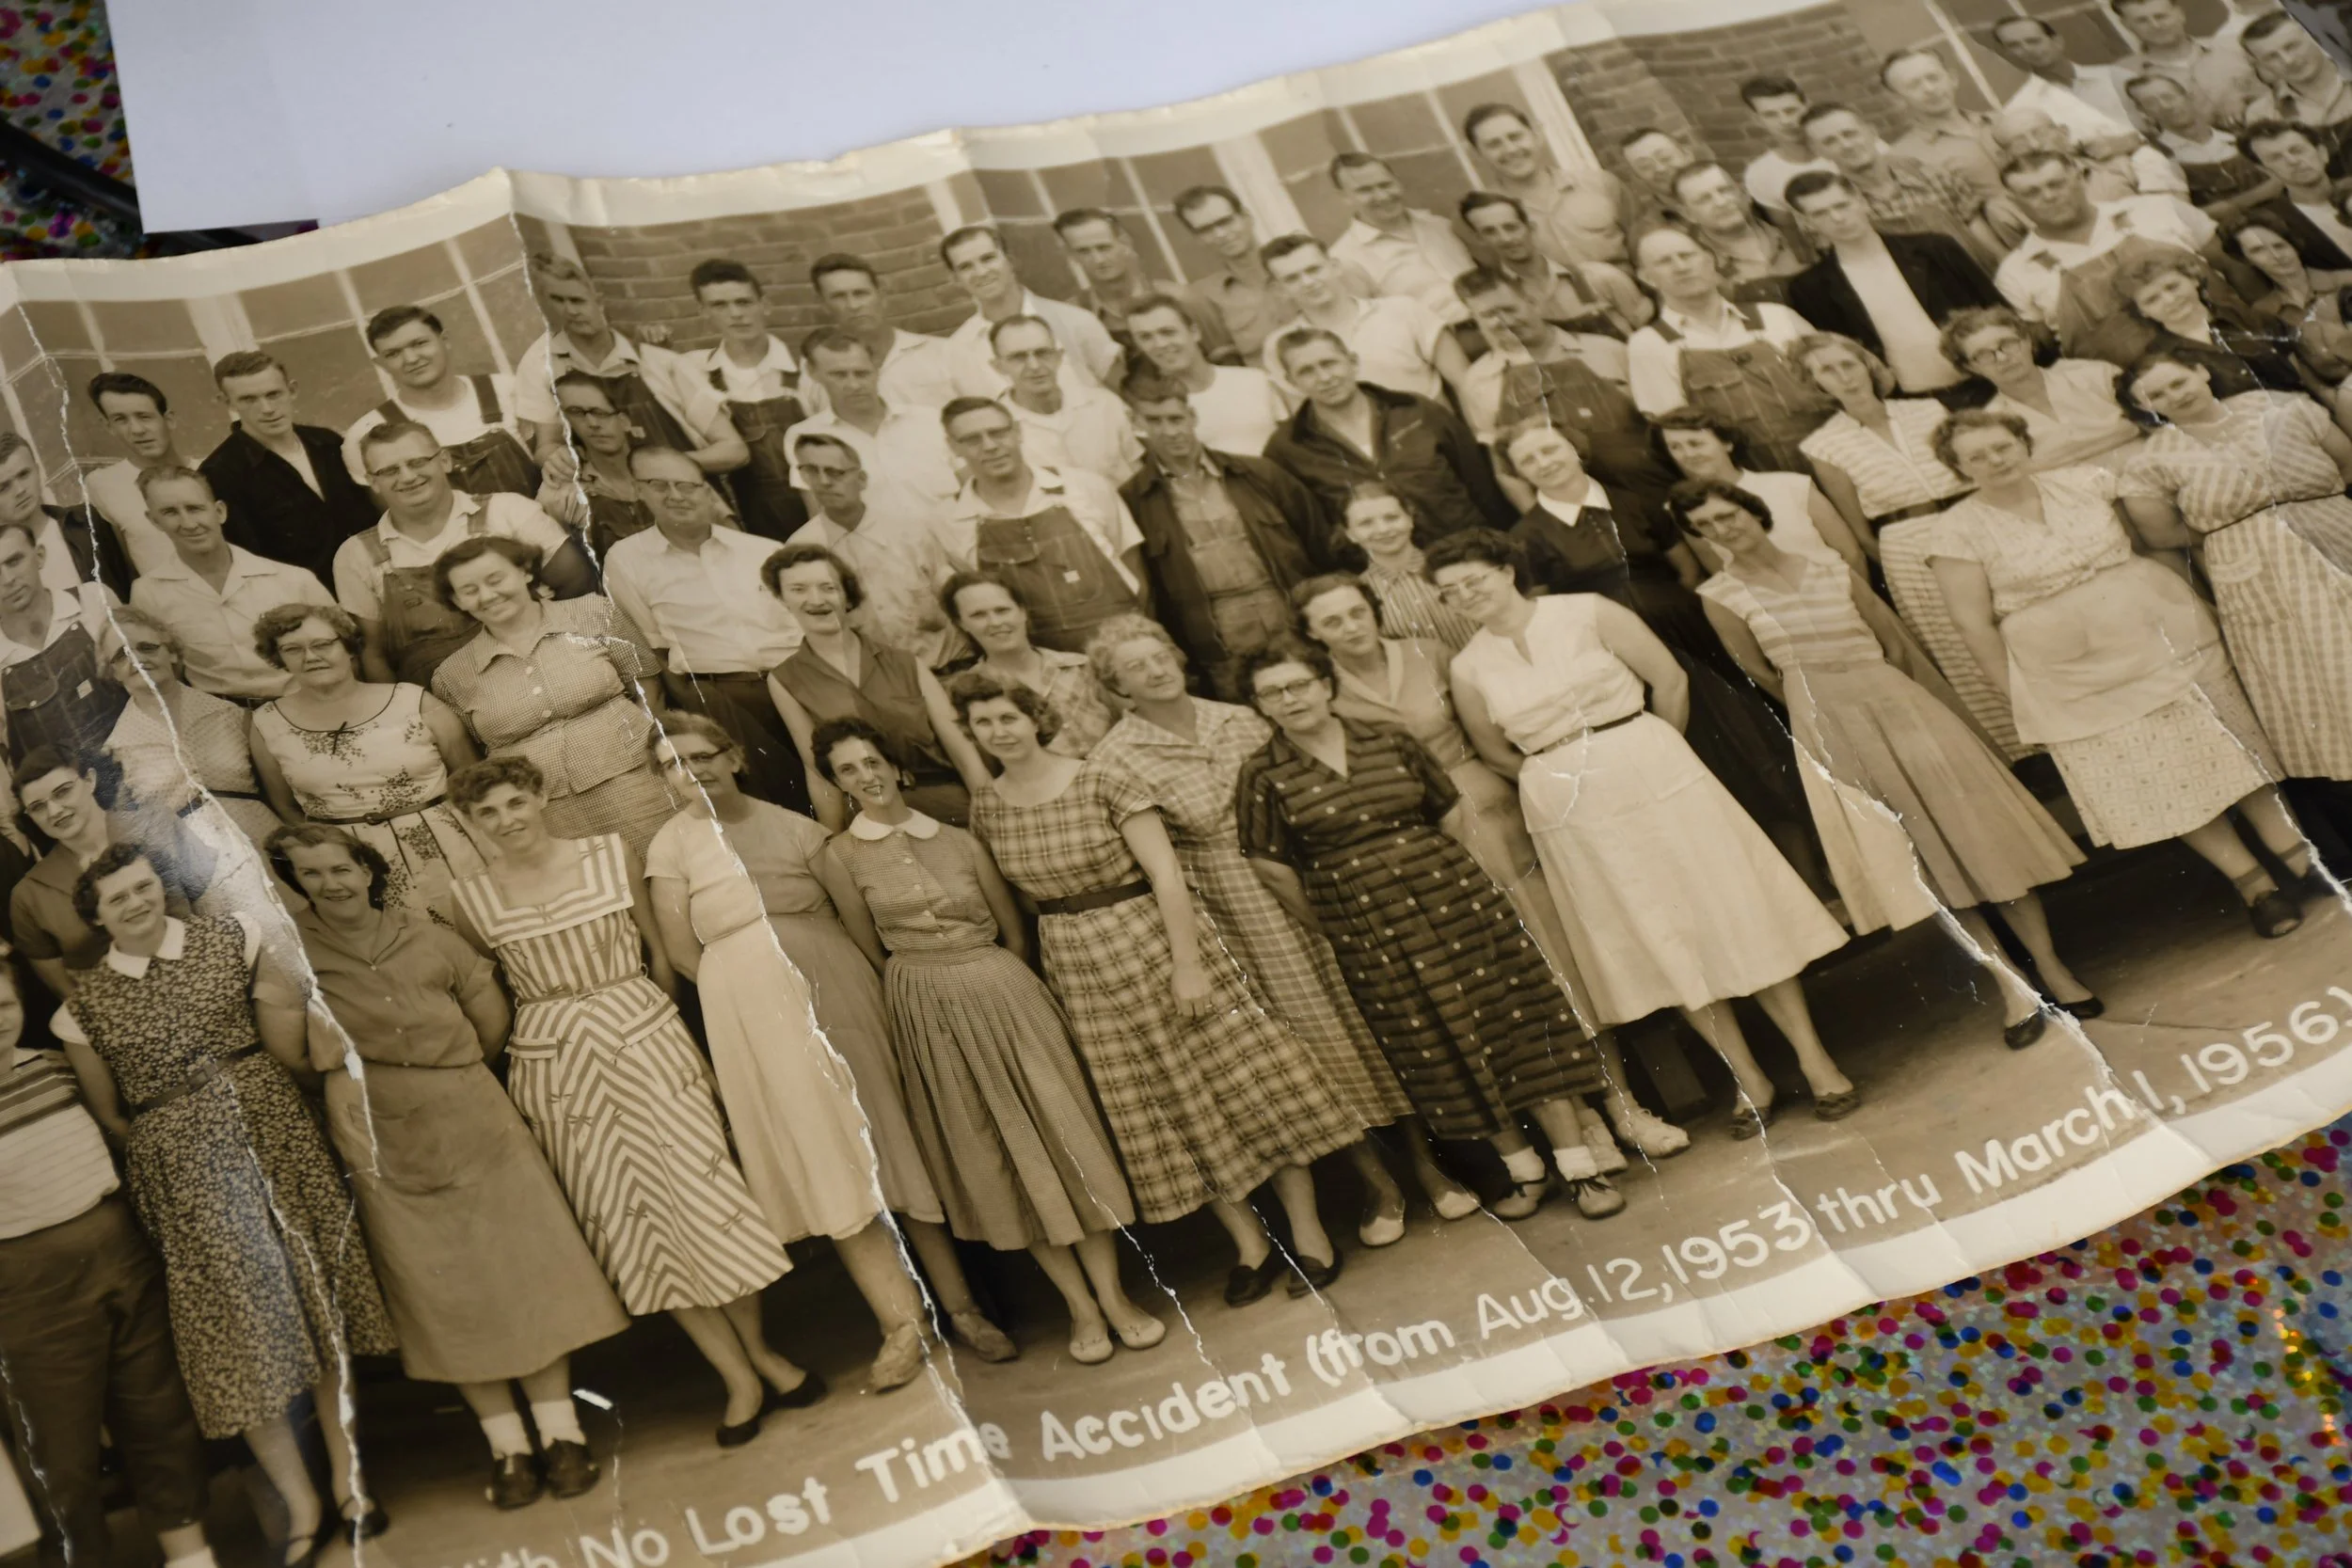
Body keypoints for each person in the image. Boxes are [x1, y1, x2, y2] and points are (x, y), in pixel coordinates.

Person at [952, 671, 1362, 1298]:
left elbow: (1167, 872)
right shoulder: (988, 804)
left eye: (1007, 717)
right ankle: (1251, 1244)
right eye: (982, 723)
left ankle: (1307, 1232)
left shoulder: (1100, 775)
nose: (998, 731)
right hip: (1079, 966)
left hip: (1151, 940)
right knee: (1164, 1106)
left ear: (1034, 717)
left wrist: (1188, 963)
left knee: (1246, 1081)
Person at [1437, 531, 1859, 1136]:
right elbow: (1495, 752)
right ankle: (1749, 1079)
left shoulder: (1587, 611)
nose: (1465, 595)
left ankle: (1816, 1063)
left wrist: (1653, 751)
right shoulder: (1469, 665)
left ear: (1506, 570)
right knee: (1657, 932)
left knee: (1731, 909)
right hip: (1570, 807)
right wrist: (1564, 774)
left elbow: (1670, 681)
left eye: (1472, 580)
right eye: (1450, 594)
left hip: (1651, 767)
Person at [445, 758, 811, 1446]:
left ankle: (762, 1350)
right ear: (470, 823)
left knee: (709, 1203)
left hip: (643, 1033)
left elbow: (660, 953)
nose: (505, 821)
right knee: (634, 1223)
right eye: (486, 813)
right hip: (558, 1066)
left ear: (542, 795)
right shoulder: (472, 897)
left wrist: (658, 1031)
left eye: (514, 803)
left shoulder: (610, 854)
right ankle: (734, 1374)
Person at [1287, 572, 1699, 1175]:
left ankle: (1623, 1105)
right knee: (1496, 990)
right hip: (1417, 845)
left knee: (1558, 965)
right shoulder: (1324, 692)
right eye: (1331, 622)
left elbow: (1492, 728)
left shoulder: (1431, 654)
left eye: (1356, 613)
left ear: (1374, 610)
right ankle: (1580, 1126)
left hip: (1492, 818)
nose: (1350, 628)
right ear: (1312, 635)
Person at [55, 846, 397, 1556]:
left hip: (273, 1138)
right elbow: (113, 1116)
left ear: (161, 887)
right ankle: (302, 1505)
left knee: (315, 1306)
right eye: (118, 899)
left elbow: (282, 1033)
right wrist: (180, 1136)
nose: (138, 902)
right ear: (96, 916)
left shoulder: (232, 937)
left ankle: (349, 1483)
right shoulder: (79, 1006)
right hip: (182, 1177)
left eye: (144, 886)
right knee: (235, 1342)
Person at [645, 719, 1018, 1367]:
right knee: (827, 1157)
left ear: (733, 755)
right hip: (749, 1008)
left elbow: (855, 918)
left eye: (704, 755)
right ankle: (903, 1323)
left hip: (836, 985)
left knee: (891, 1139)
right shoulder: (670, 847)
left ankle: (962, 1307)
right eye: (674, 764)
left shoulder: (795, 828)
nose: (692, 770)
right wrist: (752, 987)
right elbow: (681, 951)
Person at [1088, 614, 1471, 1237]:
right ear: (1117, 687)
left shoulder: (1240, 718)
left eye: (1159, 652)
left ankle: (1434, 1170)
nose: (1154, 669)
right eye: (1135, 666)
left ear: (1178, 656)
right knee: (1310, 1046)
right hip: (1229, 910)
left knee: (1371, 1018)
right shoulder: (1117, 757)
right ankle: (1381, 1187)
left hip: (1304, 874)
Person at [1677, 482, 2099, 1048]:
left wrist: (1886, 691)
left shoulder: (1828, 564)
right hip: (1829, 722)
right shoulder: (1720, 596)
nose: (1725, 530)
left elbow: (1892, 642)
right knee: (1921, 857)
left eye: (1729, 515)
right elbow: (1762, 673)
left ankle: (2051, 966)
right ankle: (2011, 985)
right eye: (1709, 527)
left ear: (1754, 513)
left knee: (1980, 835)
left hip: (1898, 703)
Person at [277, 824, 624, 1511]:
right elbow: (291, 1053)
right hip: (379, 1130)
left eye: (340, 868)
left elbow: (491, 1021)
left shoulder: (428, 934)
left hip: (471, 1113)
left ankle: (562, 1435)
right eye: (311, 873)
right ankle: (508, 1448)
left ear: (367, 870)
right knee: (445, 1292)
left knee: (520, 1269)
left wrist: (448, 1074)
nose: (329, 883)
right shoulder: (294, 956)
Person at [1235, 639, 1626, 1218]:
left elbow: (1448, 809)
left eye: (1298, 685)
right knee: (1438, 1043)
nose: (1289, 700)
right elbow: (1270, 865)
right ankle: (1523, 1172)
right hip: (1369, 929)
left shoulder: (1389, 741)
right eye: (1272, 693)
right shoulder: (1263, 774)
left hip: (1458, 906)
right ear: (1260, 706)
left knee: (1516, 1022)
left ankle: (1579, 1167)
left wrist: (1441, 879)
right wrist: (1339, 922)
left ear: (1324, 685)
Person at [816, 719, 1157, 1352]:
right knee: (997, 1153)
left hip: (1005, 991)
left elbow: (1013, 930)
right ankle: (1079, 1306)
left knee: (1063, 1135)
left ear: (895, 764)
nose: (866, 776)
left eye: (872, 761)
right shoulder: (840, 857)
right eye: (848, 770)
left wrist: (997, 980)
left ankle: (1114, 1294)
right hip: (927, 1007)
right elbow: (870, 948)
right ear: (838, 784)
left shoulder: (960, 839)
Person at [1927, 409, 2317, 935]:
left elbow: (2157, 539)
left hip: (2160, 633)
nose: (1994, 461)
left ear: (2022, 444)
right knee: (2159, 779)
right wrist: (2022, 699)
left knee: (2230, 747)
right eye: (1976, 456)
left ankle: (2301, 860)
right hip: (2071, 675)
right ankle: (2255, 886)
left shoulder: (2087, 483)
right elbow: (1973, 625)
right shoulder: (1955, 532)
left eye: (2001, 447)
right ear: (1958, 468)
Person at [1498, 420, 1830, 895]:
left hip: (1690, 634)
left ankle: (1816, 880)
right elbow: (1550, 611)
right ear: (1519, 473)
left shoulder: (1636, 499)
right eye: (1529, 460)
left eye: (1550, 448)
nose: (1544, 463)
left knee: (1751, 747)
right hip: (1620, 655)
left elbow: (1688, 570)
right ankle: (1759, 893)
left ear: (1575, 448)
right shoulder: (1528, 535)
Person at [0, 963, 217, 1568]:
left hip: (121, 1257)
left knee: (159, 1417)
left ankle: (192, 1558)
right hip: (26, 1293)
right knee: (59, 1455)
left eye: (3, 1005)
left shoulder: (52, 1067)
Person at [2117, 351, 2352, 786]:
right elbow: (2164, 533)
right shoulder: (2152, 460)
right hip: (2257, 573)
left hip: (2336, 536)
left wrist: (2311, 511)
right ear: (2146, 407)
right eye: (2157, 393)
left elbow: (2345, 459)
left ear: (2201, 371)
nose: (2175, 395)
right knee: (2328, 672)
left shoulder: (2281, 407)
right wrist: (2245, 533)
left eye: (2178, 381)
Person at [429, 535, 675, 861]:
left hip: (639, 784)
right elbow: (474, 751)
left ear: (525, 572)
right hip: (543, 812)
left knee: (669, 868)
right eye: (469, 590)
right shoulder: (452, 675)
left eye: (495, 579)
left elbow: (648, 689)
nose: (487, 596)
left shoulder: (593, 612)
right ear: (457, 601)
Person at [595, 444, 812, 813]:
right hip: (723, 699)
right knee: (776, 806)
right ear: (639, 491)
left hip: (799, 681)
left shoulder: (763, 550)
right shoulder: (627, 559)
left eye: (687, 485)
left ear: (707, 490)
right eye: (659, 485)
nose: (676, 496)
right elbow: (653, 648)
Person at [247, 603, 483, 921]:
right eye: (292, 649)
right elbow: (287, 807)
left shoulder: (412, 699)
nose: (311, 657)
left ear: (348, 644)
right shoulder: (267, 723)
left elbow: (469, 776)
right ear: (278, 657)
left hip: (447, 848)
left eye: (322, 644)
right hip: (351, 865)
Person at [338, 421, 596, 686]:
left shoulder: (509, 512)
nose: (407, 477)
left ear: (445, 461)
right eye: (390, 470)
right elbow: (374, 653)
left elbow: (577, 586)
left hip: (549, 672)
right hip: (439, 697)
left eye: (417, 462)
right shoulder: (357, 555)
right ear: (373, 482)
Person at [1119, 369, 1324, 697]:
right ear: (1136, 423)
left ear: (1192, 415)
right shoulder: (1135, 501)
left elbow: (1320, 544)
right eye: (1155, 421)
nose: (1170, 431)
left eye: (1176, 418)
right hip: (1220, 650)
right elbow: (1152, 592)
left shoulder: (1259, 474)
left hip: (1295, 629)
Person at [763, 544, 988, 829]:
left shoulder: (906, 663)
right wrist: (834, 840)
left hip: (945, 806)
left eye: (828, 587)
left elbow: (962, 750)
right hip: (870, 819)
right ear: (782, 599)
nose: (816, 599)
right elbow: (818, 771)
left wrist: (991, 817)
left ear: (847, 596)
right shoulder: (785, 680)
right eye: (798, 589)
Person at [1264, 329, 1514, 546]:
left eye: (1329, 363)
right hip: (1386, 579)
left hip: (1467, 553)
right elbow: (1312, 530)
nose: (1324, 378)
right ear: (1291, 382)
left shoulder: (1417, 410)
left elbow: (1481, 483)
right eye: (1306, 371)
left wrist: (1502, 542)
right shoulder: (1288, 448)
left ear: (1352, 362)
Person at [937, 396, 1146, 651]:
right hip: (1041, 666)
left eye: (998, 433)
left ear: (1018, 432)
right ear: (953, 447)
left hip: (1125, 648)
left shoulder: (1085, 487)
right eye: (972, 439)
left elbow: (1133, 564)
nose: (989, 446)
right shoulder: (950, 520)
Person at [513, 252, 747, 475]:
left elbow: (735, 450)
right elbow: (546, 447)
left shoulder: (661, 362)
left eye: (578, 300)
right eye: (557, 301)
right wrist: (558, 461)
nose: (572, 311)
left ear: (599, 302)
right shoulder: (539, 365)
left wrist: (664, 467)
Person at [9, 749, 214, 1000]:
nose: (54, 812)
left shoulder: (156, 825)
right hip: (120, 1017)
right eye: (38, 807)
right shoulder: (29, 896)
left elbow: (212, 908)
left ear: (90, 780)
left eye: (62, 792)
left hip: (206, 977)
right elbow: (66, 991)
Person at [1626, 225, 1832, 470]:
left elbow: (1838, 383)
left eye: (1687, 255)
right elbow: (1680, 438)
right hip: (1753, 480)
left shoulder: (1776, 317)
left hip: (1836, 461)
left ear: (1710, 259)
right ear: (1647, 277)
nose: (1681, 267)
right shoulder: (1650, 345)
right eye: (1664, 261)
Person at [1784, 171, 2004, 396]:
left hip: (1990, 376)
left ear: (1861, 201)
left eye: (1842, 205)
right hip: (1908, 400)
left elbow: (1997, 310)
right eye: (1821, 213)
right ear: (1806, 222)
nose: (1838, 218)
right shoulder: (1811, 288)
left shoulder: (1935, 248)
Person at [127, 465, 335, 702]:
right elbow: (160, 672)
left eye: (195, 508)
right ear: (154, 521)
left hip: (303, 703)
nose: (188, 523)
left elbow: (344, 651)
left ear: (220, 512)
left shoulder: (293, 580)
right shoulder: (148, 593)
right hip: (218, 715)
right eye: (170, 512)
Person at [1992, 150, 2222, 360]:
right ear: (2014, 201)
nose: (2049, 196)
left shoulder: (2157, 209)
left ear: (2080, 177)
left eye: (2057, 184)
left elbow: (2232, 269)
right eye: (2032, 192)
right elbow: (2047, 351)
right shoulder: (2016, 271)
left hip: (2231, 348)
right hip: (2147, 391)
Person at [104, 606, 281, 854]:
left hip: (264, 843)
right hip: (197, 868)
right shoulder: (116, 749)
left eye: (147, 647)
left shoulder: (231, 715)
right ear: (113, 672)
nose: (136, 658)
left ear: (173, 654)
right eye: (121, 654)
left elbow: (279, 800)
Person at [782, 432, 961, 667]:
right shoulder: (801, 548)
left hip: (946, 665)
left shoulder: (912, 530)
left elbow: (952, 595)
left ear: (862, 479)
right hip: (876, 680)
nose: (824, 482)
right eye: (812, 471)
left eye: (835, 472)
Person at [199, 352, 379, 585]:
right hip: (312, 600)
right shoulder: (220, 473)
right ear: (227, 403)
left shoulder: (327, 442)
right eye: (249, 399)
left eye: (273, 394)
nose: (267, 409)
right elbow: (249, 561)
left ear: (292, 390)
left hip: (380, 581)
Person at [343, 305, 539, 498]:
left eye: (420, 343)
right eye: (393, 354)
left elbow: (549, 469)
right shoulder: (367, 433)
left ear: (445, 340)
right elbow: (395, 517)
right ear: (381, 364)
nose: (410, 358)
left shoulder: (508, 391)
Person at [1795, 332, 1976, 542]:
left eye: (1849, 365)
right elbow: (1861, 534)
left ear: (1868, 366)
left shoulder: (1931, 411)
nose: (1845, 378)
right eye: (1827, 371)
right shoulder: (1822, 447)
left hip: (1975, 520)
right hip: (1909, 544)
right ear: (1814, 383)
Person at [1651, 406, 1867, 572]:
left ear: (1726, 443)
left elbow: (1851, 554)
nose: (1687, 454)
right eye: (1675, 447)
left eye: (1695, 443)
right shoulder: (1682, 508)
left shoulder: (1791, 485)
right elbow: (1723, 575)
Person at [685, 258, 810, 542]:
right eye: (720, 305)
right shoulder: (695, 373)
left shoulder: (804, 370)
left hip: (816, 506)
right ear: (703, 311)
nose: (735, 314)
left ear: (764, 304)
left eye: (744, 302)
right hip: (748, 520)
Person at [1260, 234, 1469, 404]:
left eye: (1314, 269)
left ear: (1335, 267)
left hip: (1437, 439)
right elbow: (1302, 415)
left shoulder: (1403, 310)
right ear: (1279, 289)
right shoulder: (1280, 345)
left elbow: (1465, 383)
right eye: (1292, 278)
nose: (1307, 282)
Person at [1174, 183, 1374, 361]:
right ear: (1197, 238)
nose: (1221, 234)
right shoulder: (1205, 299)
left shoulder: (1319, 269)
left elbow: (1373, 323)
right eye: (1206, 229)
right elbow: (1232, 369)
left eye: (1225, 221)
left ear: (1246, 218)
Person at [784, 329, 964, 523]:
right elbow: (820, 516)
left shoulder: (930, 420)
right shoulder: (806, 435)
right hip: (873, 550)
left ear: (877, 367)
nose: (854, 385)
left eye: (862, 373)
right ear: (813, 374)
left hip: (954, 542)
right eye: (839, 375)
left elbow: (972, 487)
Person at [2116, 245, 2329, 404]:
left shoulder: (2246, 318)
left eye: (2172, 286)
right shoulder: (2161, 358)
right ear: (2142, 311)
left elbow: (2303, 369)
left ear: (2193, 279)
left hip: (2307, 406)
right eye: (2152, 299)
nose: (2170, 300)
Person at [1940, 307, 2147, 470]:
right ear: (1970, 367)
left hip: (2148, 470)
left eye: (2008, 344)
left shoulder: (2094, 375)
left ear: (2027, 341)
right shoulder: (1992, 422)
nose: (2002, 358)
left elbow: (2158, 420)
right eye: (1984, 355)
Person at [942, 570, 1119, 757]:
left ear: (1022, 612)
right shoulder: (967, 692)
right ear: (962, 624)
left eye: (1002, 610)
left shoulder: (1082, 667)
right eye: (978, 615)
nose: (995, 622)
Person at [1804, 100, 2002, 266]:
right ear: (1818, 152)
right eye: (1830, 141)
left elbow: (1982, 238)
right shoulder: (1836, 208)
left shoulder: (1931, 175)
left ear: (1872, 132)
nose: (1846, 145)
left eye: (1850, 134)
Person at [940, 225, 1121, 399]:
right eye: (965, 267)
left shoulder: (1076, 321)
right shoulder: (959, 350)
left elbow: (1126, 396)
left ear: (1010, 261)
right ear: (955, 279)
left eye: (988, 258)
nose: (981, 272)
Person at [0, 513, 127, 762]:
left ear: (39, 557)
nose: (8, 579)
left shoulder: (94, 601)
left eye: (14, 561)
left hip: (142, 769)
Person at [1456, 191, 1654, 340]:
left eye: (1511, 227)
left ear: (1530, 228)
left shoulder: (1598, 277)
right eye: (1490, 232)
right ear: (1479, 239)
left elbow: (1659, 328)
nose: (1506, 239)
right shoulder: (1504, 301)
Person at [1461, 103, 1631, 265]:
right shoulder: (1485, 217)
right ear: (1477, 154)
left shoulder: (1600, 183)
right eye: (1494, 144)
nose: (1510, 150)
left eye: (1515, 137)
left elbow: (1642, 243)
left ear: (1536, 135)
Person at [1122, 293, 1291, 456]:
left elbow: (1292, 444)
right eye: (1145, 337)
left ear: (1194, 332)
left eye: (1168, 332)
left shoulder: (1255, 381)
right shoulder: (1153, 410)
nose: (1160, 344)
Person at [1326, 150, 1478, 322]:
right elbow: (1369, 325)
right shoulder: (1344, 260)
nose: (1383, 196)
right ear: (1344, 197)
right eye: (1365, 190)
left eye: (1385, 185)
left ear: (1397, 182)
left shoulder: (1440, 225)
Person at [991, 315, 1144, 484]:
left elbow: (1140, 473)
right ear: (998, 366)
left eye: (1043, 353)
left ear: (1059, 356)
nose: (1034, 366)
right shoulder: (995, 429)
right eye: (1018, 357)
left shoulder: (1105, 404)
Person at [1055, 208, 1224, 358]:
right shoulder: (1072, 315)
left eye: (1104, 247)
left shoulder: (1182, 299)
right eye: (1084, 251)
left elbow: (1229, 364)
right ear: (1070, 255)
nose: (1098, 260)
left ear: (1125, 243)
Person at [1332, 483, 1482, 652]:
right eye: (1366, 523)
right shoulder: (1358, 594)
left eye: (1391, 518)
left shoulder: (1457, 566)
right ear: (1350, 534)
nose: (1383, 529)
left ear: (1410, 519)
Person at [806, 252, 961, 411]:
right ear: (823, 305)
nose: (853, 305)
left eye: (861, 293)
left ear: (881, 296)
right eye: (838, 297)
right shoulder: (816, 373)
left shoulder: (943, 353)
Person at [81, 372, 197, 578]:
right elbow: (124, 563)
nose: (136, 430)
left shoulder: (211, 469)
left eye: (144, 416)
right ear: (109, 427)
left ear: (169, 419)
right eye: (120, 420)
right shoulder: (102, 484)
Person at [536, 372, 661, 557]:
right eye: (577, 413)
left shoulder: (665, 469)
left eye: (600, 413)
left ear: (624, 420)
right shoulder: (560, 493)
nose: (593, 423)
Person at [2223, 212, 2352, 385]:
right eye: (2258, 250)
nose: (2276, 256)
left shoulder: (2346, 281)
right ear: (2247, 259)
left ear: (2294, 245)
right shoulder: (2263, 311)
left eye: (2279, 245)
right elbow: (2301, 372)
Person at [2128, 72, 2281, 217]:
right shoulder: (2157, 158)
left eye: (2168, 97)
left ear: (2188, 96)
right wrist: (2264, 192)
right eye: (2151, 103)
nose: (2165, 106)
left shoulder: (2238, 134)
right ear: (2144, 112)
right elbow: (2181, 215)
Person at [1883, 47, 2014, 214]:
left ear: (1952, 79)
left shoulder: (2000, 121)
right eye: (1914, 85)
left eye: (1933, 77)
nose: (1929, 89)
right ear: (1897, 100)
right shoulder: (1904, 158)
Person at [0, 430, 128, 599]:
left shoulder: (85, 522)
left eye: (24, 474)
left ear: (38, 471)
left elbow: (126, 590)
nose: (20, 490)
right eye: (3, 487)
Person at [1990, 103, 2193, 205]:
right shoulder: (2012, 205)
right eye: (2019, 142)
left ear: (2063, 132)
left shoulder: (2127, 162)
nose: (2034, 145)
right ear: (2006, 155)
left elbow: (2179, 214)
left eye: (2040, 133)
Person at [1989, 16, 2147, 144]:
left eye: (2033, 41)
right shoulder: (2023, 107)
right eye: (2014, 46)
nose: (2027, 49)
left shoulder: (2115, 76)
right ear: (2005, 55)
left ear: (2057, 41)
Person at [1672, 162, 1811, 307]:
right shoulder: (1694, 267)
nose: (1721, 202)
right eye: (1704, 199)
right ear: (1688, 214)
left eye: (1725, 190)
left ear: (1744, 193)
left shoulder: (1797, 232)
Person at [2113, 0, 2265, 130]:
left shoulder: (2233, 46)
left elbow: (2279, 86)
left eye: (2161, 16)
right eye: (2142, 21)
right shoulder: (2126, 74)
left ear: (2180, 14)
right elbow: (2143, 130)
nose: (2156, 25)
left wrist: (2246, 99)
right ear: (2126, 25)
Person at [2240, 119, 2352, 268]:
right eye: (2276, 158)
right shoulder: (2272, 222)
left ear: (2322, 153)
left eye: (2297, 150)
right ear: (2265, 171)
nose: (2292, 161)